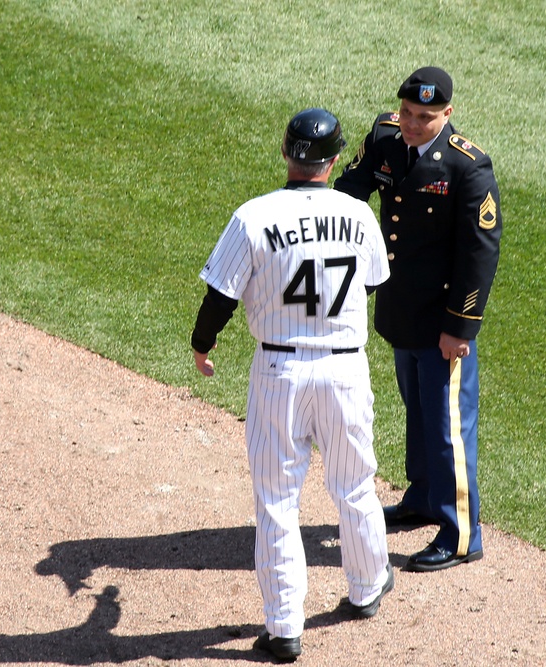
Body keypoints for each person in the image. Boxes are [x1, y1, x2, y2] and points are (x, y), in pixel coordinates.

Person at [191, 108, 394, 662]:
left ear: (286, 154)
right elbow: (371, 284)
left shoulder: (254, 217)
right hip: (345, 369)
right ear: (333, 161)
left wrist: (201, 345)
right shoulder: (358, 214)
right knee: (355, 484)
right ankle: (367, 587)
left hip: (279, 372)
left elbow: (220, 297)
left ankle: (284, 629)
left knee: (277, 501)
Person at [334, 67, 503, 573]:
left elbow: (480, 253)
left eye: (425, 117)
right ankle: (425, 497)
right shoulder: (385, 138)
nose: (410, 123)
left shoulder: (467, 167)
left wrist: (461, 327)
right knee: (418, 409)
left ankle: (461, 534)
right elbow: (349, 191)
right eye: (406, 112)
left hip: (442, 322)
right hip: (400, 310)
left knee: (450, 424)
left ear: (447, 115)